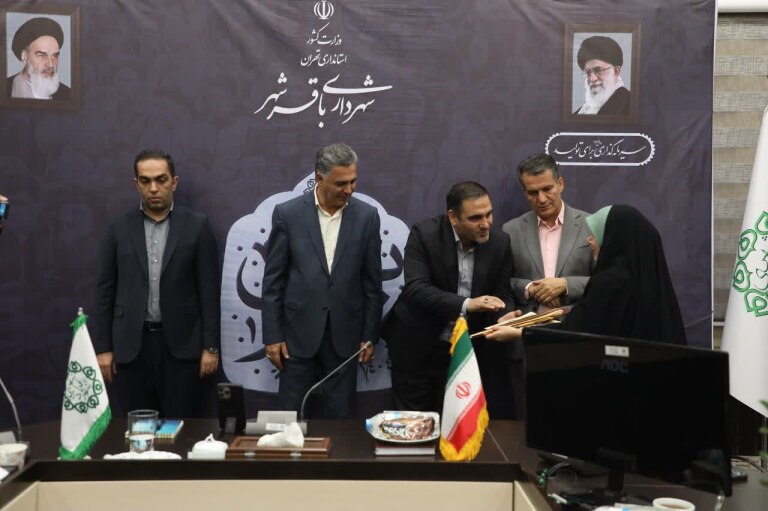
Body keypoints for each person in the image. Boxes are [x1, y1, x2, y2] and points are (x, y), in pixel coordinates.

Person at [92, 149, 221, 418]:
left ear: (174, 182)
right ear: (136, 183)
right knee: (137, 429)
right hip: (131, 348)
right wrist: (103, 348)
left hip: (182, 348)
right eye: (145, 180)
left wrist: (210, 347)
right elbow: (105, 291)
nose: (153, 188)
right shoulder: (118, 228)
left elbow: (208, 291)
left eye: (161, 180)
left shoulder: (196, 226)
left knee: (181, 427)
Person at [261, 143, 382, 419]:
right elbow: (273, 282)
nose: (349, 190)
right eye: (341, 183)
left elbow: (372, 283)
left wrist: (369, 335)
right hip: (296, 337)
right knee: (289, 418)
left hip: (346, 337)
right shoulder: (288, 214)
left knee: (341, 418)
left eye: (353, 181)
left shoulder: (367, 216)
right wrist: (273, 336)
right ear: (319, 178)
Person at [382, 181, 518, 418]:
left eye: (489, 214)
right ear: (453, 217)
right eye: (476, 218)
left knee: (457, 425)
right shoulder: (424, 235)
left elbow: (502, 293)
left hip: (466, 351)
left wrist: (503, 315)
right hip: (417, 345)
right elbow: (417, 288)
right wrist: (467, 304)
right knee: (415, 425)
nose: (486, 224)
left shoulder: (500, 242)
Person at [487, 205, 687, 345]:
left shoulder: (610, 282)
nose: (589, 240)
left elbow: (577, 330)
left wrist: (520, 332)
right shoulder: (650, 283)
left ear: (613, 238)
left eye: (597, 234)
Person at [503, 154, 592, 314]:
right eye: (533, 193)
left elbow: (607, 280)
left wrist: (565, 285)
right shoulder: (511, 230)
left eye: (547, 189)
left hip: (577, 323)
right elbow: (500, 282)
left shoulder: (590, 225)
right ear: (525, 193)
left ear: (560, 184)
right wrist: (530, 288)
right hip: (527, 325)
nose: (542, 199)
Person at [7, 17, 71, 100]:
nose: (50, 64)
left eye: (55, 56)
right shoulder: (5, 89)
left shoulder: (68, 95)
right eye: (42, 55)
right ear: (24, 57)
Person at [575, 35, 629, 115]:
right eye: (588, 73)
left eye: (598, 70)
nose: (592, 79)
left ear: (616, 71)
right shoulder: (581, 112)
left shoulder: (631, 105)